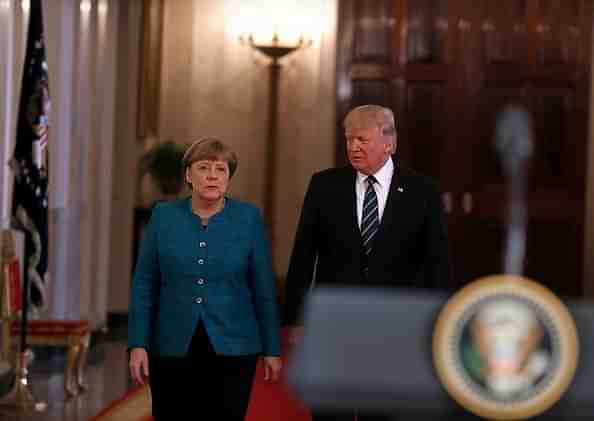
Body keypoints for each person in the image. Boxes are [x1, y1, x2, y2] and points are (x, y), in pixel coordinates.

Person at [283, 105, 450, 420]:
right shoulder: (324, 186)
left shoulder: (422, 191)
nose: (353, 147)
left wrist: (438, 319)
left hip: (396, 325)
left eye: (362, 139)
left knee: (385, 412)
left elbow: (437, 262)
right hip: (334, 324)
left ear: (389, 143)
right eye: (348, 140)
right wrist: (296, 319)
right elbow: (303, 255)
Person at [128, 138, 282, 421]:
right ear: (188, 175)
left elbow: (263, 287)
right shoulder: (164, 216)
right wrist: (138, 343)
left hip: (234, 346)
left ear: (228, 177)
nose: (212, 175)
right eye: (203, 167)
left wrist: (272, 348)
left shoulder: (248, 218)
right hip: (172, 345)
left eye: (221, 169)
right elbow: (144, 284)